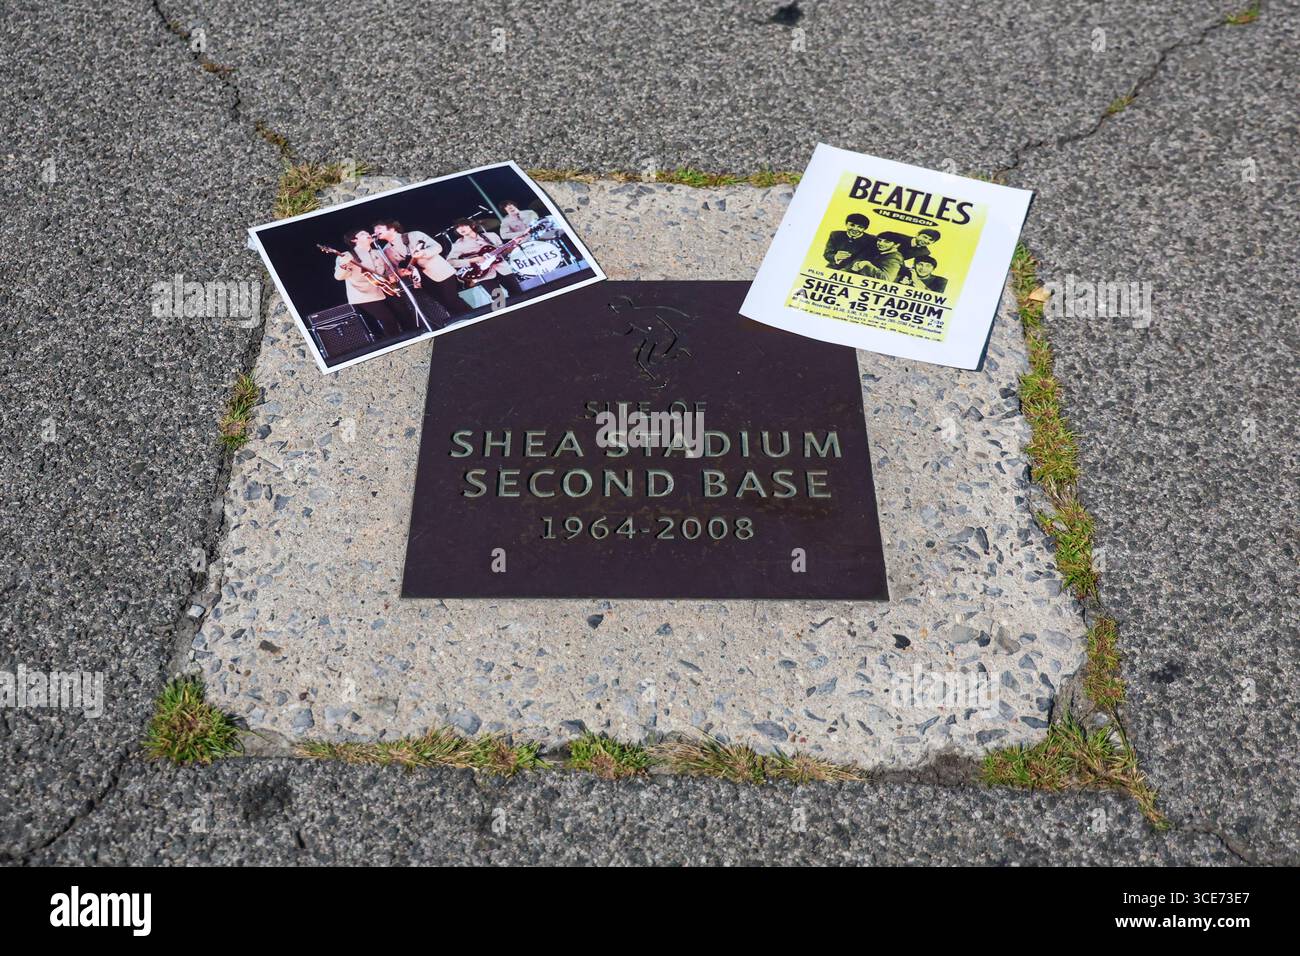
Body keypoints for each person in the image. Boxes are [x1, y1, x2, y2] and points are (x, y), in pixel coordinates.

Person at [371, 220, 464, 324]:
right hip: (420, 279)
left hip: (440, 271)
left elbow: (437, 247)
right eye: (374, 229)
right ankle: (459, 323)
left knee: (452, 300)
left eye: (379, 228)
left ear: (392, 228)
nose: (375, 231)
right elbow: (395, 269)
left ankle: (471, 317)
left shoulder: (414, 235)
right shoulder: (386, 250)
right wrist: (402, 272)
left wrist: (423, 253)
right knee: (443, 303)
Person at [333, 229, 405, 340]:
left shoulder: (378, 252)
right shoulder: (347, 255)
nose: (368, 234)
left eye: (367, 233)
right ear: (354, 240)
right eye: (363, 234)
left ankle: (414, 333)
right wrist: (344, 266)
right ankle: (395, 341)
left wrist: (391, 275)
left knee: (403, 312)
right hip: (364, 295)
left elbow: (387, 270)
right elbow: (338, 277)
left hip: (385, 289)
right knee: (388, 319)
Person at [447, 220, 523, 302]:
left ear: (472, 226)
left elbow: (502, 251)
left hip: (502, 269)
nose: (461, 229)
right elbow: (450, 262)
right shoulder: (458, 245)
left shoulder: (491, 236)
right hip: (482, 275)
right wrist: (472, 260)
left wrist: (512, 246)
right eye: (457, 228)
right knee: (499, 300)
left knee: (517, 293)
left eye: (463, 225)